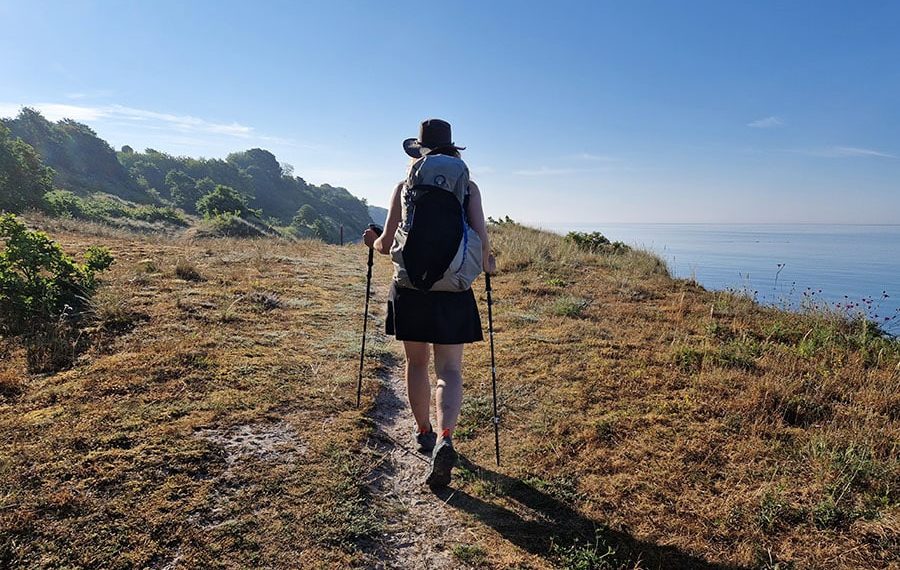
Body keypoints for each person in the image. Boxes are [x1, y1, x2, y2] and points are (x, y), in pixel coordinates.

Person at [363, 118, 495, 488]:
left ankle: (423, 431)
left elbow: (387, 244)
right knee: (449, 370)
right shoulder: (468, 187)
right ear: (453, 150)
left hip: (410, 290)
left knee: (416, 362)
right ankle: (445, 437)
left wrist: (371, 241)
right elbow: (482, 240)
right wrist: (488, 263)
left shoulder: (403, 188)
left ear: (419, 151)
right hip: (453, 289)